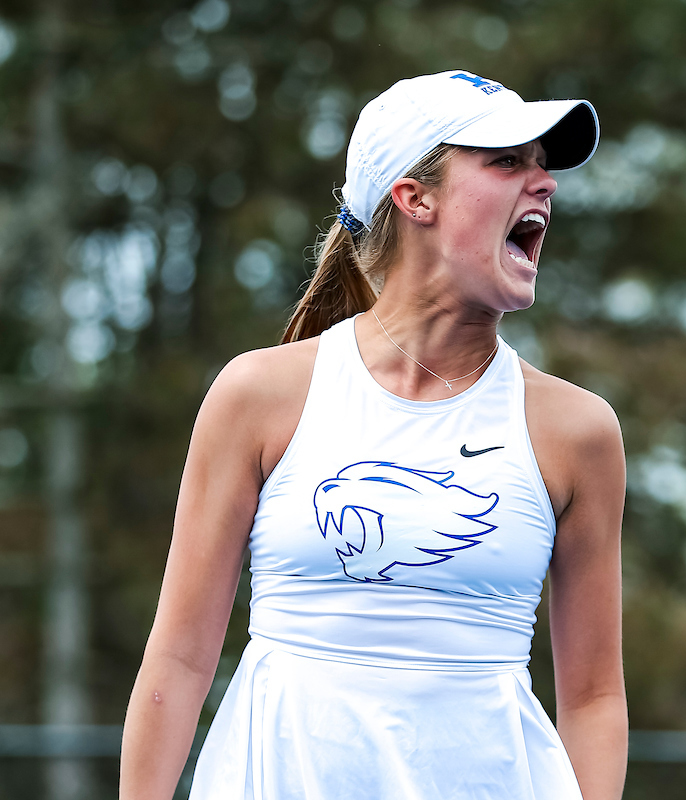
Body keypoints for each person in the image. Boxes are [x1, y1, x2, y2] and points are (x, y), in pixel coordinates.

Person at [119, 70, 627, 800]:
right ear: (414, 197)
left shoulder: (578, 431)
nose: (544, 183)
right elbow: (177, 661)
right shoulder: (259, 395)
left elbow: (593, 699)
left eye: (544, 164)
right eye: (508, 161)